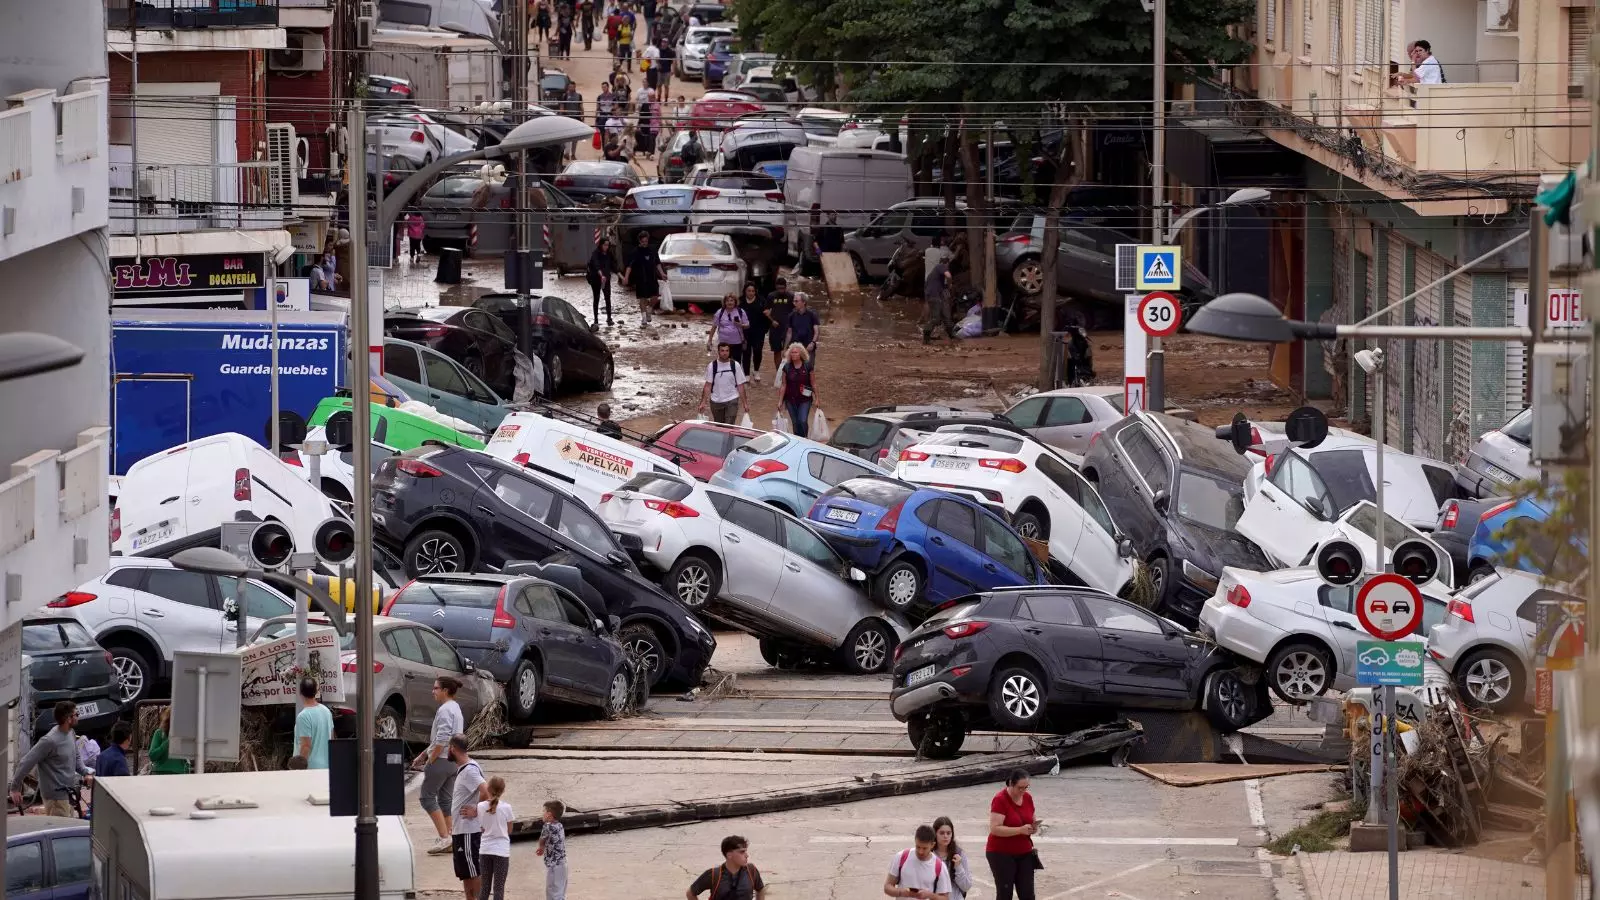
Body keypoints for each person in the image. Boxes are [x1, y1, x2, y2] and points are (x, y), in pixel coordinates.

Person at [412, 676, 466, 856]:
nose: (432, 691)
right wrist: (424, 754)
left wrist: (431, 759)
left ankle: (444, 837)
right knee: (445, 800)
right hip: (452, 760)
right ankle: (451, 836)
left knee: (427, 798)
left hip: (441, 760)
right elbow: (441, 738)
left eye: (435, 688)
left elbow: (442, 739)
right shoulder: (455, 708)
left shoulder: (444, 710)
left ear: (445, 691)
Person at [10, 702, 93, 817]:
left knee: (70, 827)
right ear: (68, 718)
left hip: (67, 794)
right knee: (62, 831)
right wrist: (15, 788)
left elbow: (76, 756)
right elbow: (26, 762)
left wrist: (85, 772)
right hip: (55, 798)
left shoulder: (70, 733)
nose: (78, 716)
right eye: (76, 714)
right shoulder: (49, 740)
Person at [986, 769, 1041, 900]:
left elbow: (1032, 819)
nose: (1023, 791)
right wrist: (1019, 830)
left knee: (1028, 894)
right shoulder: (1000, 799)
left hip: (1024, 851)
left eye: (1026, 787)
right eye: (1020, 788)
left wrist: (1034, 828)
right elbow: (995, 828)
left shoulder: (1027, 798)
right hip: (1001, 853)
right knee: (1005, 893)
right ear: (1011, 783)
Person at [448, 734, 488, 900]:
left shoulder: (470, 770)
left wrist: (476, 810)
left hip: (468, 831)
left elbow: (486, 790)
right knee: (465, 872)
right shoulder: (464, 769)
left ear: (453, 749)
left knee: (474, 870)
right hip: (460, 830)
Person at [884, 824, 952, 900]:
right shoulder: (901, 857)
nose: (920, 851)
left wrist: (930, 895)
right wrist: (902, 892)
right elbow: (887, 887)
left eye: (924, 848)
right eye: (918, 847)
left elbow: (945, 898)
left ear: (932, 845)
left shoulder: (940, 866)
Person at [687, 835, 765, 900]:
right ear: (729, 855)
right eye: (742, 852)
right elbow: (690, 893)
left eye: (746, 851)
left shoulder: (751, 870)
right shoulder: (714, 874)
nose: (747, 855)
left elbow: (760, 889)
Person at [477, 776, 514, 900]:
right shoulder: (507, 808)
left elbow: (481, 827)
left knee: (484, 887)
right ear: (503, 791)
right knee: (498, 888)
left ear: (488, 788)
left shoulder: (481, 806)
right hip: (501, 851)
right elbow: (509, 830)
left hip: (485, 849)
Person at [624, 230, 667, 326]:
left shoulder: (652, 250)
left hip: (652, 277)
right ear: (639, 241)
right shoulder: (635, 252)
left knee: (655, 297)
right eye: (643, 242)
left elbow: (657, 263)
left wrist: (662, 273)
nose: (644, 243)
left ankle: (649, 309)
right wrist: (626, 277)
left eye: (646, 241)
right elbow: (629, 266)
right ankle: (643, 318)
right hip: (641, 278)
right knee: (642, 299)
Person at [699, 342, 749, 425]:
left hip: (732, 399)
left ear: (729, 352)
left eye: (727, 351)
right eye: (722, 351)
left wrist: (745, 403)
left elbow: (740, 386)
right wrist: (703, 402)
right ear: (718, 352)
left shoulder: (735, 365)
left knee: (729, 425)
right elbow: (708, 386)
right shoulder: (712, 366)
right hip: (716, 401)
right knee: (719, 427)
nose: (725, 353)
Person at [293, 675, 334, 770]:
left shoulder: (303, 716)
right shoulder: (326, 711)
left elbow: (306, 746)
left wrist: (298, 769)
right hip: (326, 766)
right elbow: (331, 738)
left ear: (300, 693)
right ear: (316, 691)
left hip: (310, 768)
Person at [776, 344, 815, 438]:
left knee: (802, 420)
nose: (794, 354)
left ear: (801, 354)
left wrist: (817, 398)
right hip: (790, 399)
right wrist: (780, 401)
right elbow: (784, 384)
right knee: (795, 422)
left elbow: (814, 383)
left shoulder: (807, 366)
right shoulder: (787, 367)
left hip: (805, 399)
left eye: (796, 352)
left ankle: (805, 437)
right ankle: (797, 439)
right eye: (792, 352)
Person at [933, 817, 974, 900]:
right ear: (935, 834)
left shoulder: (959, 854)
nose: (945, 836)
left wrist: (958, 867)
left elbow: (966, 886)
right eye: (942, 833)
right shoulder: (929, 854)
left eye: (948, 833)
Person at [538, 799, 569, 900]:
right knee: (559, 891)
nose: (542, 814)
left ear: (549, 815)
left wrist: (541, 847)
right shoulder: (560, 825)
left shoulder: (547, 826)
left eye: (544, 811)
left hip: (554, 864)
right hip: (562, 863)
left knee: (552, 891)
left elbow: (542, 839)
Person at [709, 292, 749, 363]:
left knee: (736, 363)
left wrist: (740, 325)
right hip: (723, 344)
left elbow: (747, 326)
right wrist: (709, 341)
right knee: (723, 362)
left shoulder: (741, 312)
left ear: (735, 302)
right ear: (724, 302)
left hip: (737, 343)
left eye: (731, 300)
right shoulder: (719, 312)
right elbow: (714, 327)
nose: (729, 302)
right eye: (727, 301)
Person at [783, 293, 821, 367]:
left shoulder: (812, 314)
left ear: (804, 302)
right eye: (793, 301)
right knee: (794, 370)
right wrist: (785, 349)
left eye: (796, 301)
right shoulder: (791, 315)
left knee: (808, 369)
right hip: (795, 348)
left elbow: (817, 331)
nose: (794, 303)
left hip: (808, 347)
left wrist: (813, 343)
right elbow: (789, 333)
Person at [738, 282, 769, 374]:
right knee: (746, 352)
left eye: (753, 291)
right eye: (749, 291)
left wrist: (765, 329)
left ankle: (756, 371)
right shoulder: (740, 301)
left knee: (757, 351)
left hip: (759, 332)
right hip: (745, 332)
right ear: (745, 291)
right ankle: (746, 373)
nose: (751, 293)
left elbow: (767, 316)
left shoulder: (762, 301)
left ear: (755, 292)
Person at [763, 277, 796, 365]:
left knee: (789, 351)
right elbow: (766, 311)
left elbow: (796, 310)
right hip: (775, 328)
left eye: (782, 288)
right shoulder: (771, 296)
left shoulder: (791, 296)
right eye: (779, 288)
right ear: (776, 287)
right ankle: (778, 373)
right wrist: (772, 321)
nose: (781, 290)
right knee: (776, 351)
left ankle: (788, 372)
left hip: (787, 329)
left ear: (786, 287)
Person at [923, 258, 955, 343]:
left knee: (946, 316)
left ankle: (952, 336)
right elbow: (948, 276)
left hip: (934, 296)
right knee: (936, 318)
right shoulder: (940, 266)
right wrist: (949, 284)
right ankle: (926, 336)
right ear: (946, 264)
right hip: (935, 296)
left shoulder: (932, 276)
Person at [149, 705, 189, 774]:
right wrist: (167, 743)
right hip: (162, 773)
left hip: (180, 774)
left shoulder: (185, 734)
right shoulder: (159, 733)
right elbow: (152, 756)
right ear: (169, 720)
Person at [588, 236, 617, 325]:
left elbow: (614, 266)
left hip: (606, 279)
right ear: (601, 245)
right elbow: (596, 265)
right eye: (605, 245)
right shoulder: (595, 253)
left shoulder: (609, 254)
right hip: (596, 279)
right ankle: (596, 319)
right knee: (596, 298)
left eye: (608, 245)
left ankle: (609, 318)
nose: (606, 247)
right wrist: (601, 275)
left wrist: (621, 276)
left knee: (608, 298)